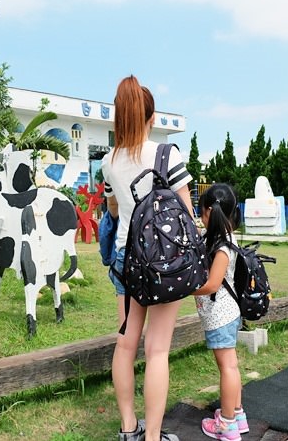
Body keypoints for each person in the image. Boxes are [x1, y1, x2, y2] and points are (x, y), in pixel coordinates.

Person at [102, 75, 193, 441]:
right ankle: (153, 437)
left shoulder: (108, 161)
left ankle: (128, 429)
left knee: (126, 344)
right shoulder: (165, 154)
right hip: (161, 262)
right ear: (150, 118)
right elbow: (186, 211)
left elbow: (111, 207)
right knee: (157, 351)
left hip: (126, 258)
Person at [191, 183, 248, 441]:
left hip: (220, 315)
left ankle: (226, 425)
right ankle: (237, 416)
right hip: (228, 313)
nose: (200, 217)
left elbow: (213, 284)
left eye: (200, 211)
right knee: (231, 366)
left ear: (209, 212)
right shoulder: (225, 237)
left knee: (227, 368)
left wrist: (185, 289)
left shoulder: (222, 245)